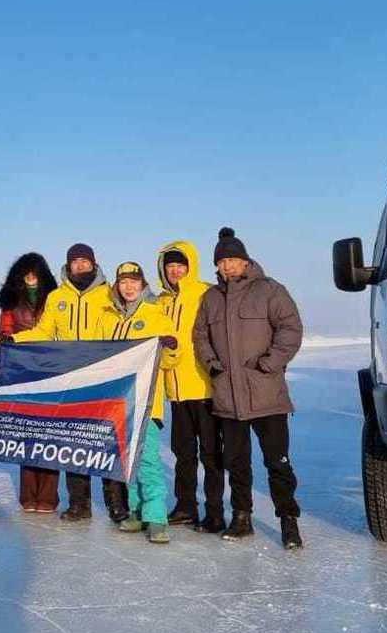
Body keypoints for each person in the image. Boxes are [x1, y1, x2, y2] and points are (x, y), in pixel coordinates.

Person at [193, 228, 304, 548]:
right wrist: (213, 365)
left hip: (266, 394)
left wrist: (270, 364)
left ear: (245, 261)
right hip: (228, 396)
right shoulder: (211, 298)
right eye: (222, 261)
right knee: (236, 462)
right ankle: (242, 516)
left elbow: (290, 329)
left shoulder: (270, 290)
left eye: (233, 260)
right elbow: (200, 337)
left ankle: (288, 520)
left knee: (277, 462)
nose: (227, 266)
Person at [13, 243, 128, 523]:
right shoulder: (56, 296)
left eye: (84, 261)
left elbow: (125, 324)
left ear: (93, 263)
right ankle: (79, 504)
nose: (79, 265)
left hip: (105, 378)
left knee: (107, 442)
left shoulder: (109, 293)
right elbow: (44, 331)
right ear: (68, 265)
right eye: (74, 261)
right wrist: (14, 340)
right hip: (71, 379)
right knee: (74, 441)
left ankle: (117, 504)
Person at [96, 262, 179, 544]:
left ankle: (156, 517)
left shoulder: (156, 315)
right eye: (123, 282)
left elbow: (170, 360)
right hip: (118, 402)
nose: (128, 287)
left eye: (134, 281)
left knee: (149, 461)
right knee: (126, 460)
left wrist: (171, 348)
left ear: (143, 284)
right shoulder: (107, 318)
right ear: (117, 286)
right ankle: (137, 510)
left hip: (146, 403)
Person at [155, 240, 225, 533]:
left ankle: (215, 513)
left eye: (180, 265)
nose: (175, 271)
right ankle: (185, 507)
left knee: (211, 455)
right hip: (176, 391)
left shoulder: (206, 293)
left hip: (205, 388)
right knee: (184, 454)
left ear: (190, 266)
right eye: (170, 266)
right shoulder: (160, 302)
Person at [0, 252, 60, 513]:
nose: (31, 276)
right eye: (26, 271)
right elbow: (5, 333)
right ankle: (28, 495)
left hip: (54, 370)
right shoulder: (11, 302)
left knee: (52, 434)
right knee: (28, 432)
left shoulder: (54, 299)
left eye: (35, 271)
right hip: (24, 371)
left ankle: (48, 496)